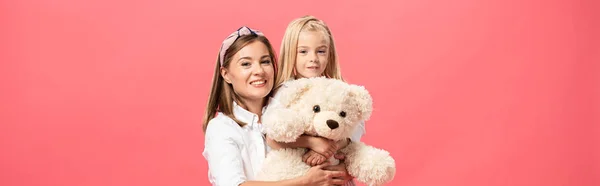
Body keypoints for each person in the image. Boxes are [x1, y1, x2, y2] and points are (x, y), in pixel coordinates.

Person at [202, 26, 349, 186]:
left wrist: (341, 170)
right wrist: (306, 181)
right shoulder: (222, 127)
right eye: (246, 64)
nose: (258, 71)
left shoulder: (294, 110)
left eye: (265, 62)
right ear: (226, 74)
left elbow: (339, 142)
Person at [266, 15, 367, 186]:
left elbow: (357, 126)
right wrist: (312, 142)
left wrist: (331, 146)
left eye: (320, 51)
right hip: (301, 172)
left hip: (333, 171)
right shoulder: (286, 91)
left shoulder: (337, 88)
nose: (313, 58)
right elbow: (272, 136)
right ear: (291, 53)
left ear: (330, 54)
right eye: (303, 51)